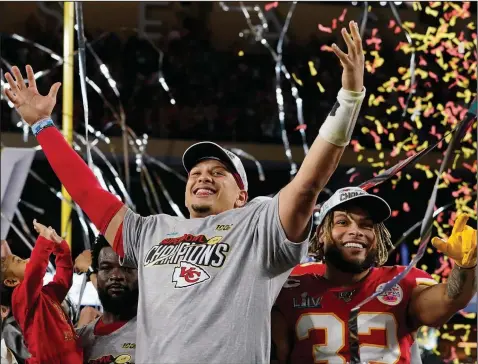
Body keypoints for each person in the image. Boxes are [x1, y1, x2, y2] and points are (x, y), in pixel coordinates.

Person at [4, 21, 366, 363]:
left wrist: (349, 100)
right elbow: (87, 191)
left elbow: (306, 185)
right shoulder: (150, 231)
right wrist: (43, 125)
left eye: (218, 172)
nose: (202, 177)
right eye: (195, 172)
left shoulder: (259, 226)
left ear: (241, 195)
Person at [271, 186, 477, 363]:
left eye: (366, 225)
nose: (356, 231)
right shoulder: (292, 281)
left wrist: (465, 266)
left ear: (376, 238)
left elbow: (450, 299)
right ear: (321, 235)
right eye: (342, 222)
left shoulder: (401, 281)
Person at [0, 222, 83, 363]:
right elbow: (35, 272)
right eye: (19, 261)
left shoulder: (46, 294)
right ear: (12, 282)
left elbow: (64, 281)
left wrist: (61, 248)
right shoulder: (19, 299)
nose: (27, 259)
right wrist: (44, 240)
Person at [74, 236, 138, 364]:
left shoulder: (156, 332)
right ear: (98, 274)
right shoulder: (79, 339)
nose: (115, 276)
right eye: (106, 268)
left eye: (126, 268)